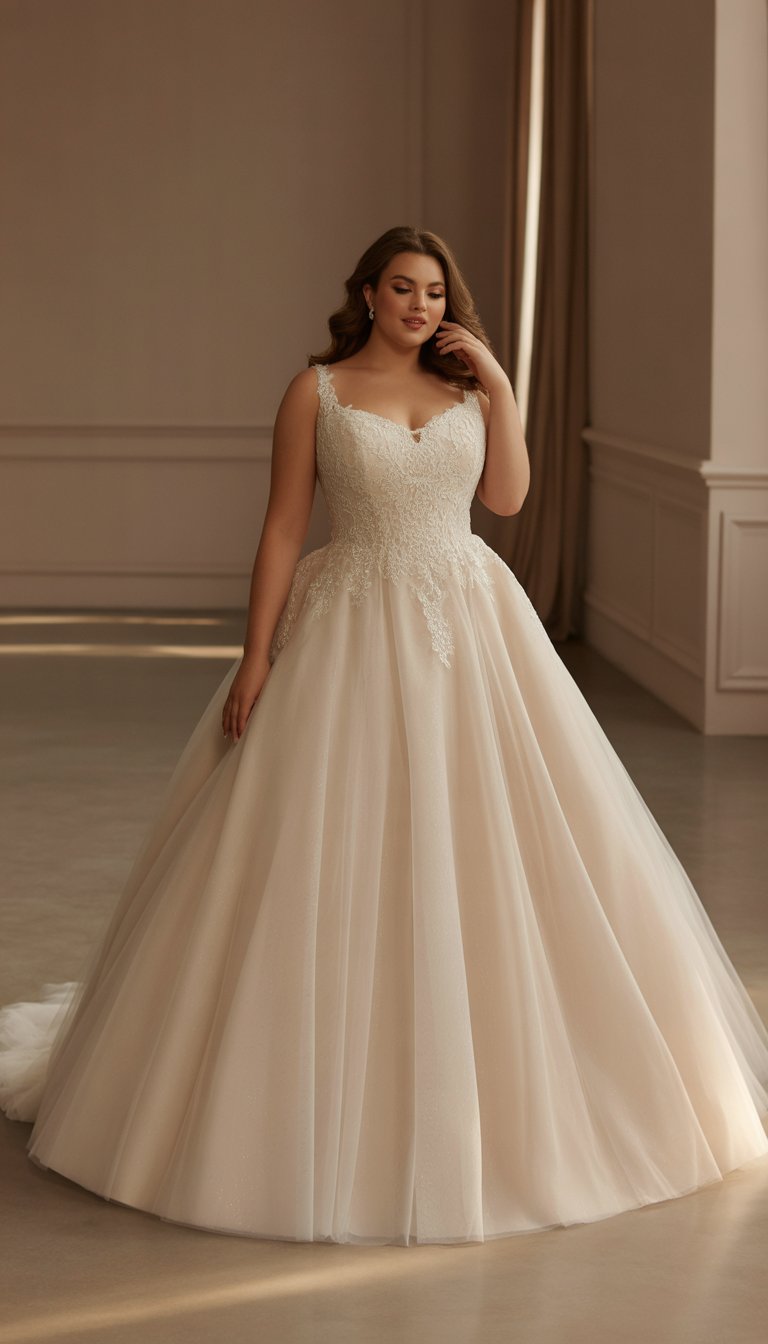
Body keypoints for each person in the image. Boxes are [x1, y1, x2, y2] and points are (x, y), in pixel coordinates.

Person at [1, 225, 767, 1248]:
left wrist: (495, 377)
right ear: (365, 292)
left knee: (495, 845)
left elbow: (506, 499)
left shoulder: (463, 391)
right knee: (325, 849)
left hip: (469, 625)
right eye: (401, 288)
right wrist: (258, 656)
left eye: (435, 292)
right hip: (351, 622)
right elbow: (282, 526)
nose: (419, 305)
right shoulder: (314, 393)